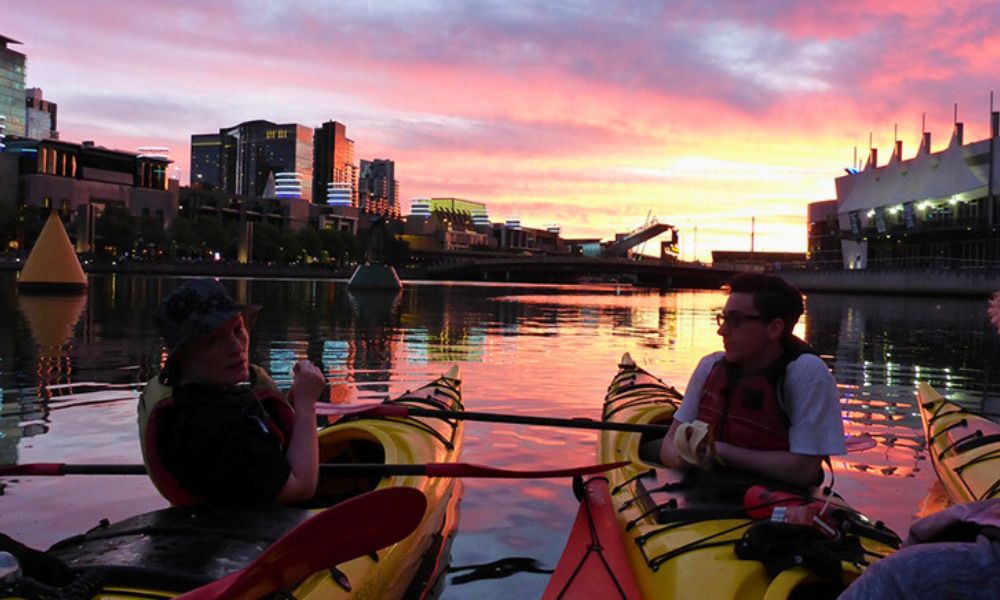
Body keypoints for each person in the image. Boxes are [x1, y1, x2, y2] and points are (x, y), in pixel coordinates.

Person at [137, 278, 325, 507]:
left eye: (238, 329)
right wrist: (306, 404)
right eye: (212, 341)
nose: (236, 347)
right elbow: (300, 488)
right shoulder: (210, 428)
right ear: (184, 357)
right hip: (259, 526)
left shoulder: (198, 396)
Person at [657, 273, 845, 486]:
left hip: (773, 498)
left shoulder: (807, 373)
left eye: (735, 320)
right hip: (702, 490)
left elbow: (804, 470)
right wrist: (689, 456)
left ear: (774, 328)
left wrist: (721, 452)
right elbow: (668, 446)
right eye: (723, 319)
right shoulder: (709, 366)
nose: (721, 330)